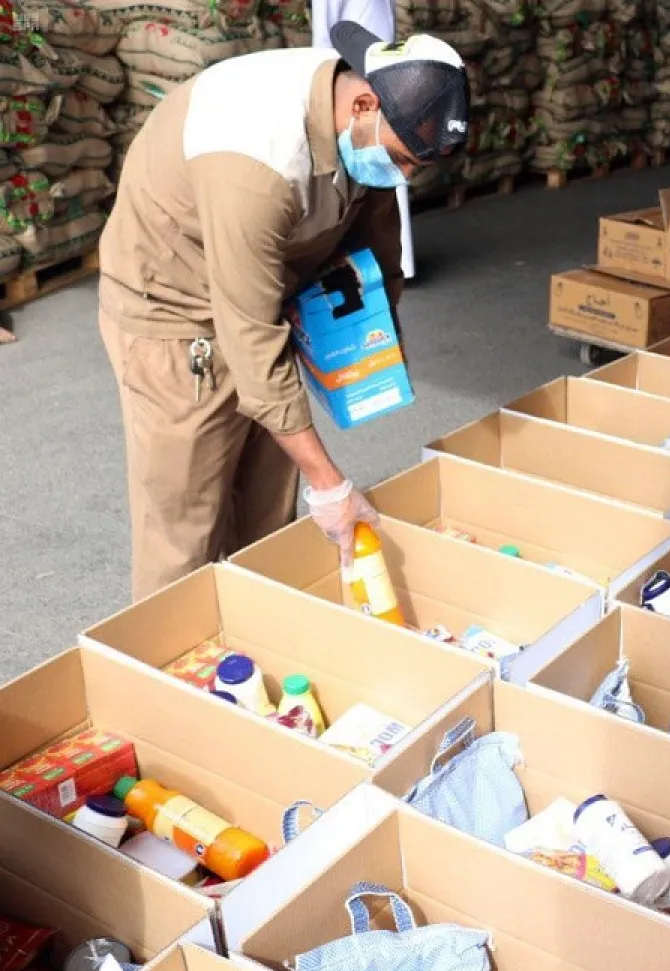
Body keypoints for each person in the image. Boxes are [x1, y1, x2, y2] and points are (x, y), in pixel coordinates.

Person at [98, 23, 469, 600]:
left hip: (261, 291)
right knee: (189, 524)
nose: (405, 176)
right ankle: (171, 676)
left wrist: (376, 335)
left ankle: (260, 635)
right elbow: (249, 341)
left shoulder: (360, 122)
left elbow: (376, 239)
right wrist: (330, 485)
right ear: (366, 104)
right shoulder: (256, 164)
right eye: (403, 159)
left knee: (267, 511)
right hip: (176, 315)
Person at [312, 0, 417, 280]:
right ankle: (394, 263)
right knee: (382, 163)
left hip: (353, 73)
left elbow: (323, 34)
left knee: (379, 162)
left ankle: (383, 262)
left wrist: (321, 80)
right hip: (373, 68)